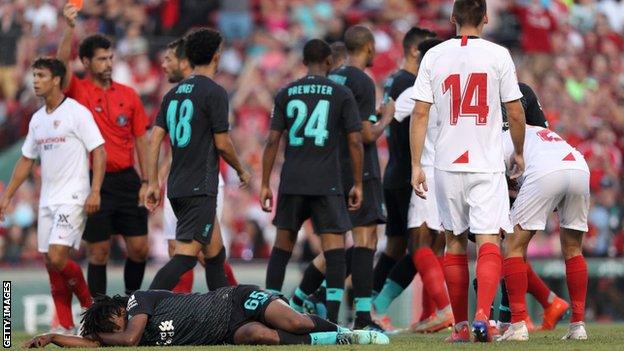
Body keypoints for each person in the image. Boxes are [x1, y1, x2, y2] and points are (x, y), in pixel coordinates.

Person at [410, 0, 526, 342]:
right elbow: (516, 112)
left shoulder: (434, 56)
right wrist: (518, 151)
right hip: (485, 162)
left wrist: (418, 164)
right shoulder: (498, 55)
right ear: (486, 18)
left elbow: (419, 114)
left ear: (452, 19)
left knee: (454, 241)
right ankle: (482, 317)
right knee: (489, 238)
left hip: (446, 163)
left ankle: (460, 327)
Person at [261, 38, 364, 324]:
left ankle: (266, 311)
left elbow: (272, 141)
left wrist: (265, 183)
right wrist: (358, 182)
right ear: (329, 62)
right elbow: (355, 142)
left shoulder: (286, 92)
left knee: (282, 247)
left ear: (304, 62)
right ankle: (331, 319)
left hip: (292, 180)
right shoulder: (340, 93)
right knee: (334, 251)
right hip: (326, 182)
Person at [0, 58, 106, 333]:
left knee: (58, 257)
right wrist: (8, 195)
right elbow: (26, 159)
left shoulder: (76, 112)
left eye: (41, 75)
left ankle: (89, 307)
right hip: (47, 198)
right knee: (50, 261)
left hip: (73, 196)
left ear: (56, 80)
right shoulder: (37, 119)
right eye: (34, 75)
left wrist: (95, 190)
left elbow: (99, 150)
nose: (35, 80)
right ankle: (66, 325)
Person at [145, 28, 250, 291]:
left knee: (215, 256)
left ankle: (223, 316)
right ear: (217, 56)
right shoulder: (214, 92)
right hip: (200, 187)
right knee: (184, 258)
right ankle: (140, 306)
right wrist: (241, 170)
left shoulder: (173, 95)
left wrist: (152, 182)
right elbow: (223, 143)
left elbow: (154, 139)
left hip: (177, 186)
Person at [58, 4, 149, 297]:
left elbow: (142, 140)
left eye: (110, 58)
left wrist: (148, 180)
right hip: (92, 182)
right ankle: (98, 312)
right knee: (98, 252)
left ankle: (131, 303)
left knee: (139, 248)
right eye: (101, 59)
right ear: (86, 62)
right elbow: (59, 68)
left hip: (127, 179)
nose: (108, 63)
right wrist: (70, 28)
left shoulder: (129, 94)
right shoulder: (79, 91)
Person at [373, 37, 453, 334]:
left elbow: (388, 114)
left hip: (429, 172)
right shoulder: (457, 86)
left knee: (418, 245)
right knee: (438, 247)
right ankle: (423, 314)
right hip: (456, 174)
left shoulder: (420, 88)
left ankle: (444, 309)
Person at [497, 95, 590, 341]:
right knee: (573, 249)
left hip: (546, 172)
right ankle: (578, 325)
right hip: (578, 166)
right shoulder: (540, 130)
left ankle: (517, 326)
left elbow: (494, 181)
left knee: (514, 246)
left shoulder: (502, 138)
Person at [24, 285, 389, 347]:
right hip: (230, 330)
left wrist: (100, 339)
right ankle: (339, 339)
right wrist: (55, 338)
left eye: (109, 324)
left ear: (118, 312)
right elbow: (96, 344)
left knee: (294, 322)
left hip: (235, 299)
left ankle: (348, 329)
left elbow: (128, 339)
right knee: (257, 338)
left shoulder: (137, 303)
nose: (112, 332)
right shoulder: (116, 336)